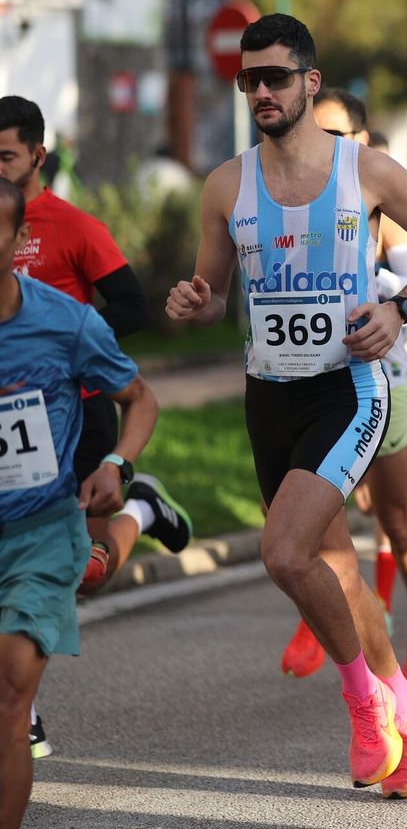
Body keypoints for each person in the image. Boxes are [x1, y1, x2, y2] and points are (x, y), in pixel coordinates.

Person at [166, 13, 407, 798]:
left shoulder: (366, 170)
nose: (260, 91)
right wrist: (192, 298)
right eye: (248, 80)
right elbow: (214, 292)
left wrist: (400, 310)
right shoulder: (226, 184)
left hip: (348, 390)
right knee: (335, 565)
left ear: (310, 82)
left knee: (283, 552)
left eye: (274, 77)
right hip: (269, 396)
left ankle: (367, 704)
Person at [0, 96, 192, 760]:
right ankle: (19, 709)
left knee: (82, 568)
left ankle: (139, 506)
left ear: (37, 156)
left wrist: (67, 350)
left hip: (76, 407)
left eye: (5, 154)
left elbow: (134, 304)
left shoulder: (73, 225)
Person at [0, 175, 159, 829]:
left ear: (18, 239)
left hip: (39, 532)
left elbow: (140, 398)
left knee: (11, 689)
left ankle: (138, 505)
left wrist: (117, 462)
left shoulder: (66, 321)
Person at [279, 89, 407, 690]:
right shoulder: (284, 199)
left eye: (336, 134)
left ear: (363, 141)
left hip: (386, 382)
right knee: (326, 527)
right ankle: (325, 618)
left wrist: (400, 307)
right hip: (306, 385)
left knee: (396, 518)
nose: (319, 145)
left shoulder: (386, 203)